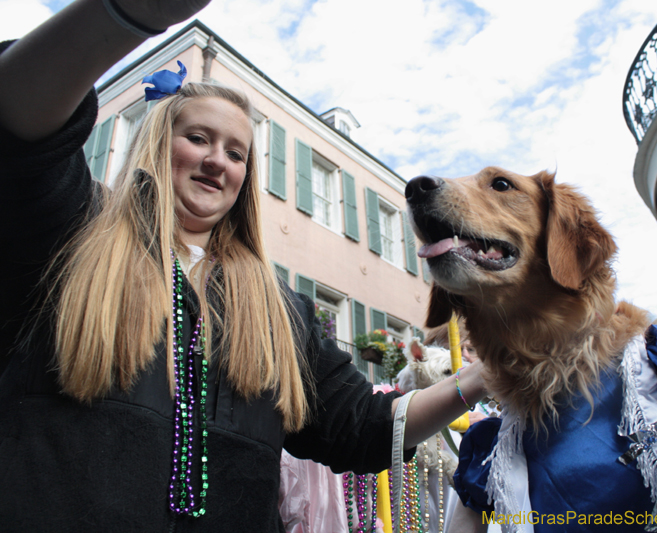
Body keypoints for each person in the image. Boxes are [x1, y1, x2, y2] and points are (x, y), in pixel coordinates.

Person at [0, 1, 486, 531]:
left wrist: (485, 377)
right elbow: (21, 123)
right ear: (157, 143)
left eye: (237, 153)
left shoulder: (283, 311)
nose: (218, 161)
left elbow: (363, 426)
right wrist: (125, 14)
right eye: (198, 138)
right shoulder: (72, 236)